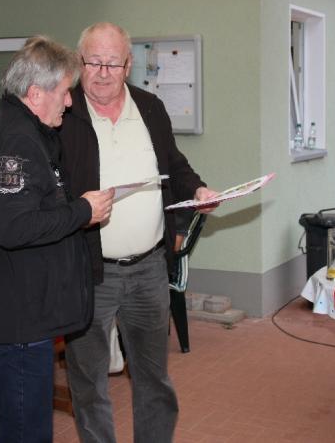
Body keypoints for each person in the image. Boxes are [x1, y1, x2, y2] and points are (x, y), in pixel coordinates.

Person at [59, 22, 218, 443]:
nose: (103, 73)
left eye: (112, 63)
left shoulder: (149, 107)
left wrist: (198, 190)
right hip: (89, 271)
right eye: (94, 62)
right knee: (89, 382)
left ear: (128, 65)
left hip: (149, 268)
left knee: (153, 378)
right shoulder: (64, 113)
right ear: (80, 63)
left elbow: (175, 166)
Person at [0, 36, 114, 442]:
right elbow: (16, 228)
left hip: (15, 310)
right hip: (16, 319)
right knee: (25, 431)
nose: (70, 102)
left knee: (16, 426)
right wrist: (82, 211)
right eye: (64, 92)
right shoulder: (17, 140)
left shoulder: (12, 126)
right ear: (36, 93)